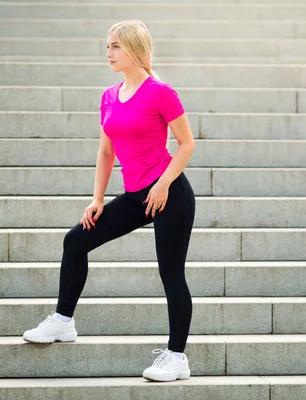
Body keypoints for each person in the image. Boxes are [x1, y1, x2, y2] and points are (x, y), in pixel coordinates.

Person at [22, 20, 196, 383]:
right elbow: (105, 152)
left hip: (169, 192)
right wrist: (97, 199)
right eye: (107, 46)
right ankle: (63, 321)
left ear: (134, 49)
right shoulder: (108, 96)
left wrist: (164, 184)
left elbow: (186, 144)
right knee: (76, 240)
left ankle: (177, 357)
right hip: (135, 196)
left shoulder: (160, 92)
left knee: (171, 273)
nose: (108, 53)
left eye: (115, 46)